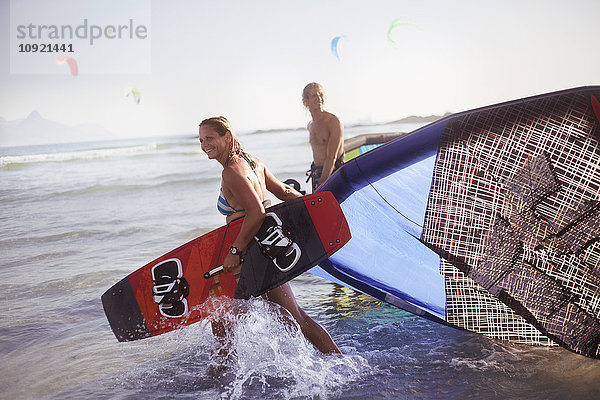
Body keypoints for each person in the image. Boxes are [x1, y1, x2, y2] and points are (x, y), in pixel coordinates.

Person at [198, 116, 341, 355]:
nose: (204, 145)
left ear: (227, 137)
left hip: (252, 252)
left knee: (221, 315)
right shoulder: (252, 162)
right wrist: (319, 209)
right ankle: (335, 359)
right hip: (271, 246)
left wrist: (235, 251)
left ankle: (222, 376)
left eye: (210, 138)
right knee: (292, 317)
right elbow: (285, 192)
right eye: (201, 140)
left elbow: (256, 213)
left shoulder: (231, 172)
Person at [302, 82, 345, 192]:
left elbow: (332, 157)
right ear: (306, 101)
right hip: (317, 172)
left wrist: (322, 184)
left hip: (334, 171)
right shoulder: (310, 125)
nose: (319, 98)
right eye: (314, 95)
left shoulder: (334, 121)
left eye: (321, 95)